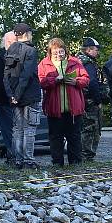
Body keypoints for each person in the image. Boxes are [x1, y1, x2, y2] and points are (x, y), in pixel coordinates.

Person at [37, 37, 89, 166]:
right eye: (55, 52)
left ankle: (75, 162)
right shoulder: (43, 64)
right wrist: (55, 80)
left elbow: (86, 79)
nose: (59, 55)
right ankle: (57, 162)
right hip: (54, 108)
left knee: (74, 136)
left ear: (65, 51)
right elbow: (41, 82)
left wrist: (76, 82)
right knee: (55, 137)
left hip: (73, 108)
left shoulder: (75, 62)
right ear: (50, 52)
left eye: (61, 52)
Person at [4, 23, 42, 170]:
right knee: (30, 129)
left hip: (14, 96)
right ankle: (29, 161)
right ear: (26, 34)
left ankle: (18, 160)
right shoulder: (31, 50)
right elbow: (26, 75)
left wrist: (11, 95)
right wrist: (18, 95)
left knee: (18, 129)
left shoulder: (10, 49)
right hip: (29, 95)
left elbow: (5, 75)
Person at [0, 31, 17, 165]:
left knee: (17, 129)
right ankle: (12, 156)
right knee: (9, 130)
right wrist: (10, 96)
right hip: (5, 101)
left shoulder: (19, 57)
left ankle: (17, 156)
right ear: (6, 42)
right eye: (11, 42)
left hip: (18, 100)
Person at [78, 37, 104, 161]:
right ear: (88, 50)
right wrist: (98, 100)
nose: (97, 52)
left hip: (81, 100)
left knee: (85, 128)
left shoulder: (78, 61)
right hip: (89, 101)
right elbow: (92, 82)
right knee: (91, 128)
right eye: (96, 49)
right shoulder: (88, 63)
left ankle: (84, 155)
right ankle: (87, 156)